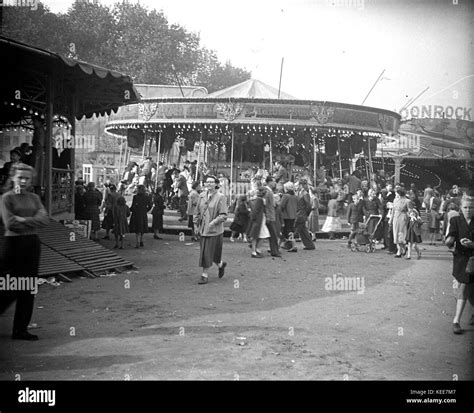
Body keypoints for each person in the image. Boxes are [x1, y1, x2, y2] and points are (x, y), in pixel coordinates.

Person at [0, 163, 49, 340]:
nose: (23, 181)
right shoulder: (7, 198)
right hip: (12, 244)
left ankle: (20, 330)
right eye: (20, 177)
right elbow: (10, 223)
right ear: (12, 177)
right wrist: (32, 219)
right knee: (8, 288)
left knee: (28, 288)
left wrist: (23, 219)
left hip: (31, 244)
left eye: (27, 178)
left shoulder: (34, 198)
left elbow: (45, 219)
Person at [445, 194, 474, 334]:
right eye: (465, 207)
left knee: (469, 290)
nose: (468, 210)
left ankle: (460, 318)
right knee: (464, 289)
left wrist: (472, 244)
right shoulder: (456, 220)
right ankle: (456, 321)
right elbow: (451, 236)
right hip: (461, 260)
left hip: (473, 258)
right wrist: (449, 241)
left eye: (471, 207)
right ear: (461, 208)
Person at [194, 175, 228, 285]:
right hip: (203, 229)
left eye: (211, 182)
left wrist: (212, 223)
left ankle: (204, 275)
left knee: (208, 252)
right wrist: (195, 225)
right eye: (207, 182)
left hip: (215, 231)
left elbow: (223, 215)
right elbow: (197, 212)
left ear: (216, 184)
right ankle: (221, 264)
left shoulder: (220, 197)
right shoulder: (201, 196)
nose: (209, 184)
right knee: (208, 252)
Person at [294, 179, 315, 250]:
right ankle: (309, 244)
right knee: (302, 230)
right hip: (300, 213)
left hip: (301, 214)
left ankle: (288, 243)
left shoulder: (305, 194)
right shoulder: (301, 193)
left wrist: (306, 213)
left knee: (296, 229)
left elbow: (308, 205)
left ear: (301, 185)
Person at [263, 176, 282, 257]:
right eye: (273, 181)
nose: (275, 183)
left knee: (272, 234)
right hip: (270, 215)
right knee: (273, 234)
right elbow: (267, 205)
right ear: (269, 182)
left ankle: (274, 250)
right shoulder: (268, 192)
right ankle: (274, 251)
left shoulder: (268, 191)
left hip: (270, 215)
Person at [390, 188, 410, 258]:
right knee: (396, 234)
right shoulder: (395, 200)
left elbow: (410, 211)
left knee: (401, 234)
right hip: (396, 218)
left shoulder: (407, 201)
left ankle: (401, 250)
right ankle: (401, 249)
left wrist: (408, 217)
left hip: (403, 218)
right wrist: (391, 219)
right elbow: (393, 210)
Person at [280, 181, 298, 249]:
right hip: (293, 215)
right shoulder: (295, 196)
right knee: (290, 230)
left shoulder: (286, 196)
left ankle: (293, 245)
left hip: (286, 216)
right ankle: (286, 244)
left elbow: (281, 206)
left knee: (286, 231)